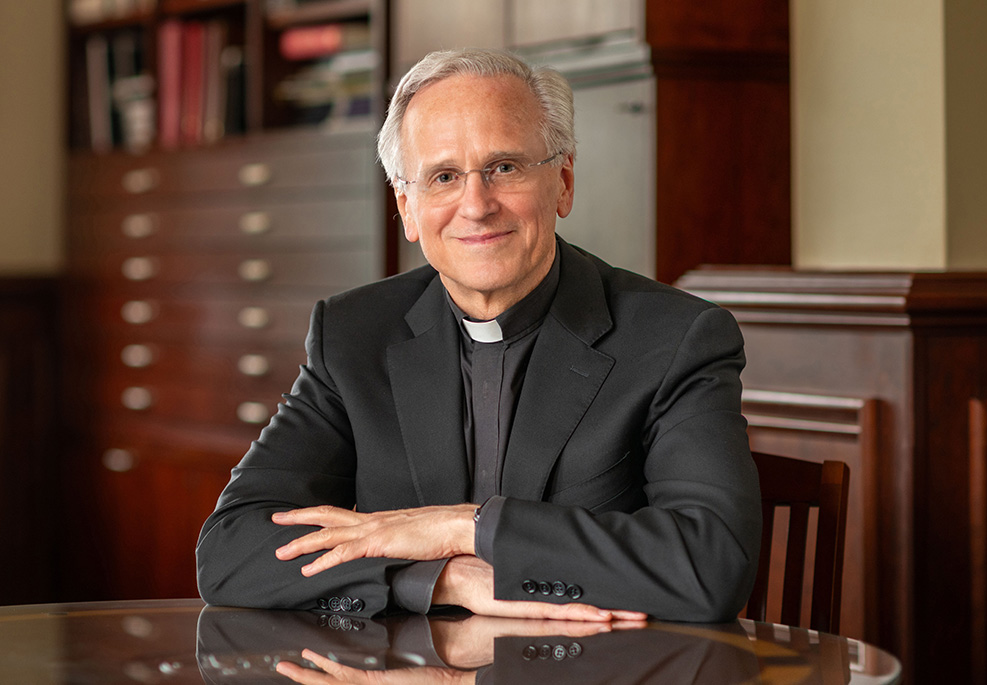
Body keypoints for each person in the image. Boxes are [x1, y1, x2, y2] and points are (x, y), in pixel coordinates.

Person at [196, 47, 761, 624]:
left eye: (505, 168)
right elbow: (231, 550)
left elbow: (709, 564)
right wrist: (438, 578)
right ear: (407, 209)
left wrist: (464, 525)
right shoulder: (354, 335)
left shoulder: (676, 338)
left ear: (562, 183)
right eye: (443, 177)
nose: (476, 205)